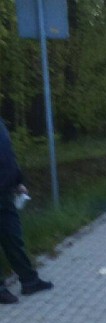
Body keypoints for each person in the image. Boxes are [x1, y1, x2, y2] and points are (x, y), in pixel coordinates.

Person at [0, 117, 53, 304]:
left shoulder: (1, 124)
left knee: (14, 239)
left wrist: (18, 182)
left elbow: (8, 157)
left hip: (5, 193)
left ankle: (29, 281)